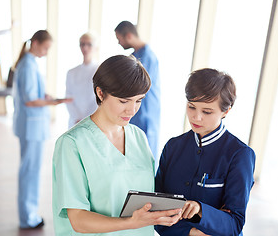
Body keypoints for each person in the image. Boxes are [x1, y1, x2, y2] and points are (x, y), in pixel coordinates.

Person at [52, 55, 182, 236]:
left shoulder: (138, 137)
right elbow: (78, 220)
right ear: (100, 93)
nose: (132, 110)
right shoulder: (72, 144)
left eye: (139, 100)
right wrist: (129, 223)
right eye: (124, 101)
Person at [155, 68, 256, 236]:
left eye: (207, 111)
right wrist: (190, 232)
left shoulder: (240, 155)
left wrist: (201, 208)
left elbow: (235, 224)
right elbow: (156, 209)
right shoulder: (172, 147)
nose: (196, 117)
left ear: (226, 111)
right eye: (191, 107)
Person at [13, 30, 71, 229]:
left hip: (31, 126)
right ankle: (28, 218)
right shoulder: (28, 65)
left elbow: (32, 93)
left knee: (30, 170)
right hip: (32, 127)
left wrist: (46, 96)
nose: (46, 53)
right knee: (30, 171)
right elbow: (30, 100)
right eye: (45, 48)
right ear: (35, 43)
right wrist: (54, 102)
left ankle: (28, 214)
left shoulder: (28, 64)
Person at [115, 21, 161, 166]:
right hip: (137, 115)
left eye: (119, 39)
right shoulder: (134, 56)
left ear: (128, 35)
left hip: (146, 115)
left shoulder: (147, 57)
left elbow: (133, 86)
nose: (118, 43)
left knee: (145, 159)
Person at [65, 32, 99, 128]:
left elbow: (100, 98)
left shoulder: (100, 70)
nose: (85, 48)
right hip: (75, 121)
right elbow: (68, 97)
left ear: (96, 47)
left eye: (89, 44)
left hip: (94, 121)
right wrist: (77, 118)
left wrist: (89, 118)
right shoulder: (71, 72)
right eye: (82, 44)